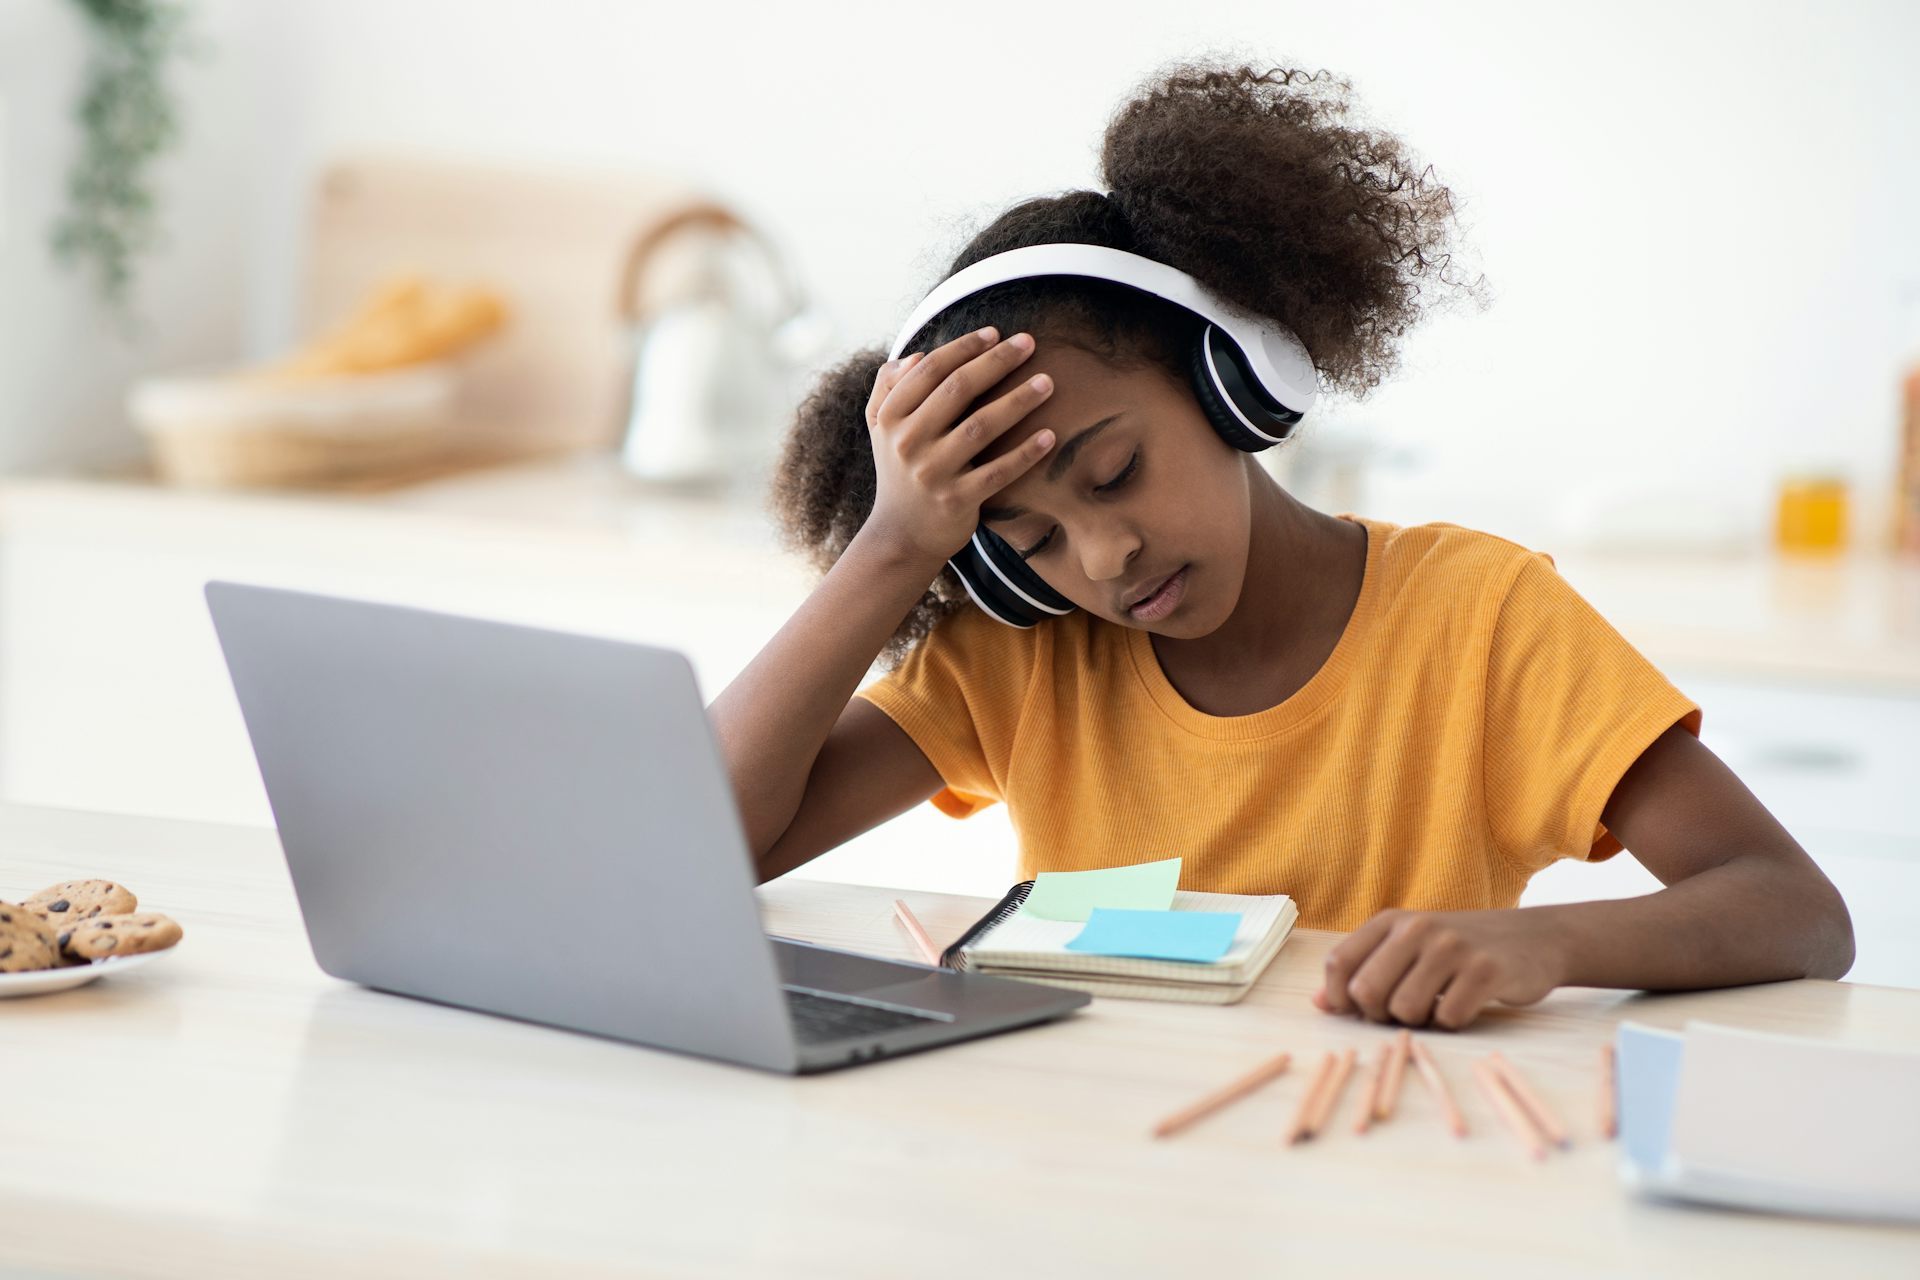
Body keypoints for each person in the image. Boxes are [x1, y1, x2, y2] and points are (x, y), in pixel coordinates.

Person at [707, 58, 1853, 1031]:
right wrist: (894, 547)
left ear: (1234, 380)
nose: (1102, 555)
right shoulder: (1025, 655)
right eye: (1035, 536)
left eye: (1116, 472)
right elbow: (707, 846)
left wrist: (1547, 944)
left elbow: (1796, 909)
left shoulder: (1479, 616)